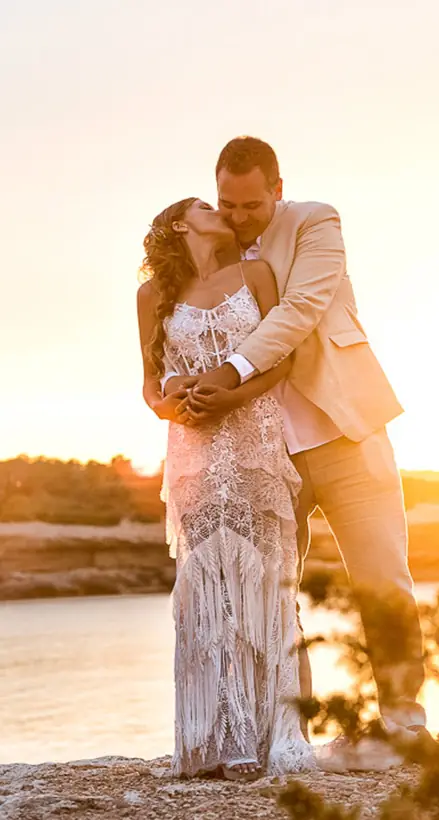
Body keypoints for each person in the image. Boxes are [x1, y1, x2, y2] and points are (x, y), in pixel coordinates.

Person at [161, 137, 429, 753]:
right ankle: (290, 736)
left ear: (276, 189)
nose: (237, 217)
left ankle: (404, 726)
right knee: (274, 597)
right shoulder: (212, 255)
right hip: (262, 452)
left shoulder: (316, 221)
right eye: (227, 203)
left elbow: (302, 308)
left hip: (344, 432)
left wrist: (229, 370)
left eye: (251, 205)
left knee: (384, 580)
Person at [137, 197, 314, 779]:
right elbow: (149, 384)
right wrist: (175, 407)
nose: (221, 211)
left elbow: (281, 359)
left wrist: (233, 396)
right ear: (181, 224)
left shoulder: (256, 274)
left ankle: (271, 739)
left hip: (256, 439)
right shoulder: (152, 296)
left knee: (265, 583)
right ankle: (215, 740)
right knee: (208, 591)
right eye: (206, 206)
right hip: (194, 452)